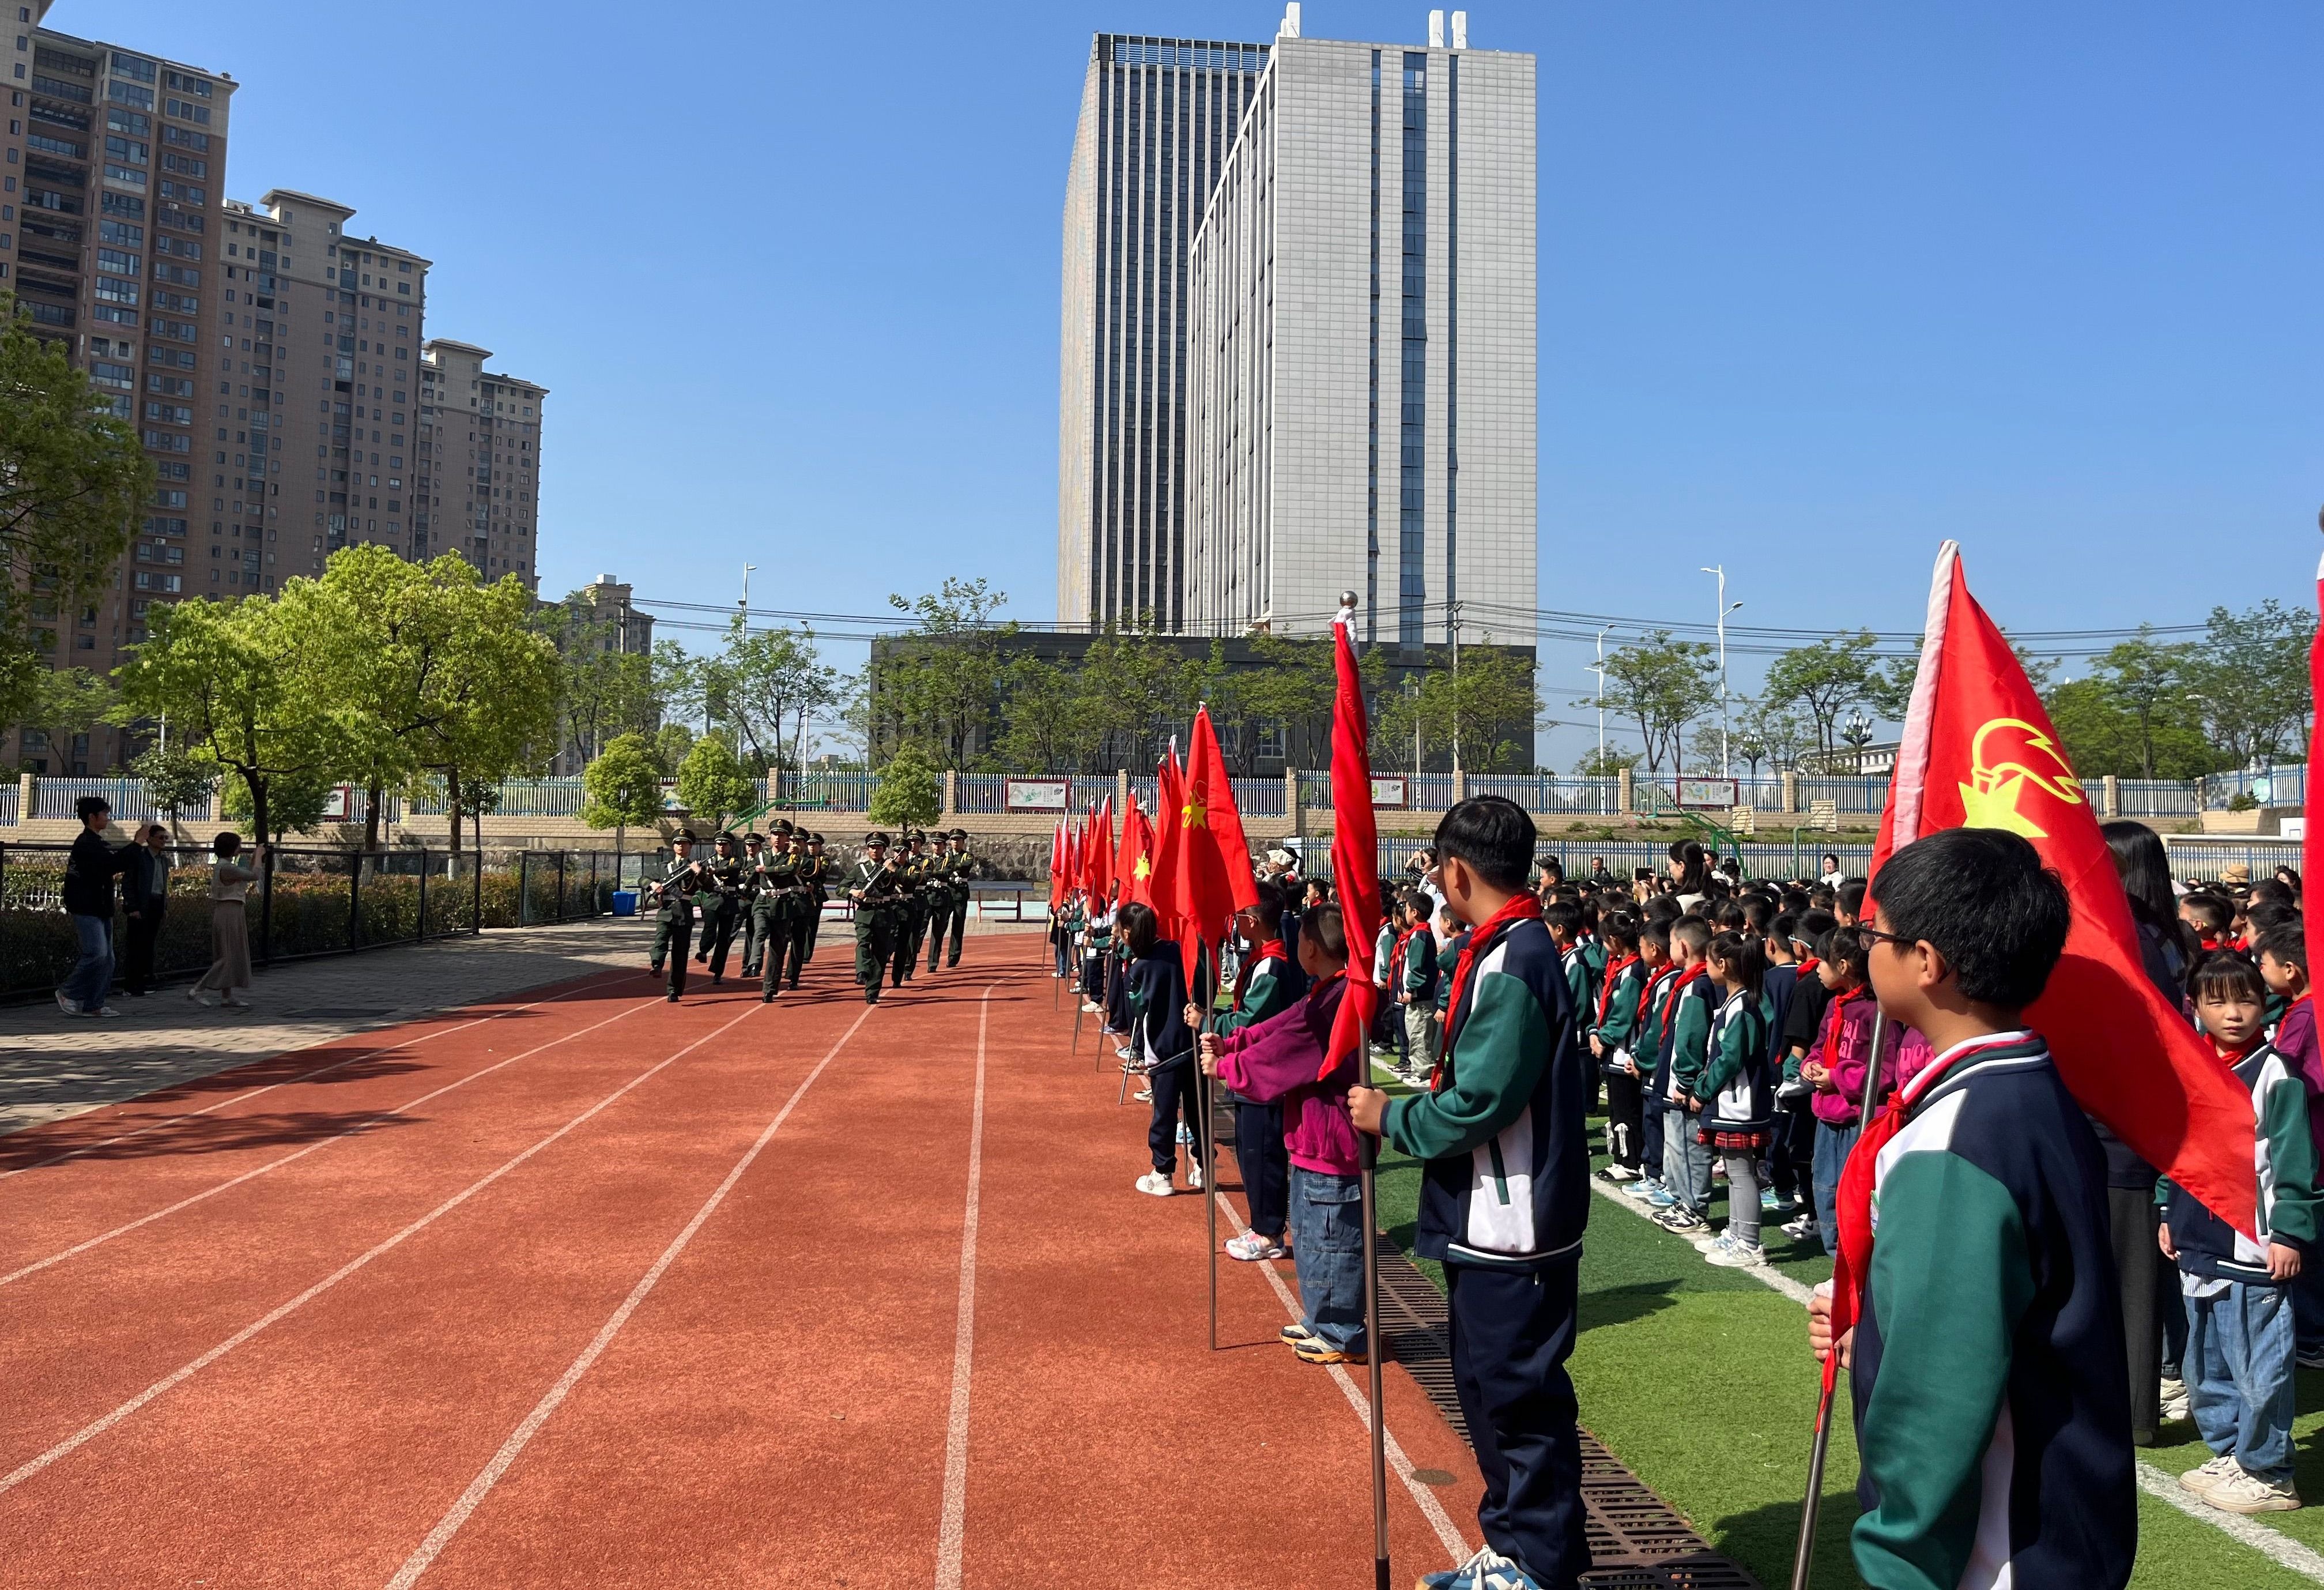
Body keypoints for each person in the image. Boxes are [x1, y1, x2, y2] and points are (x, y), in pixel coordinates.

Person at [1806, 826, 2133, 1588]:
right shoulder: (2033, 1089)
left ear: (1927, 962)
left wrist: (1901, 1558)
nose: (1865, 950)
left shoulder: (1953, 1139)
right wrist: (1871, 1324)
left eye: (1875, 937)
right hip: (2064, 1526)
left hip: (1995, 1552)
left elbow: (1936, 1392)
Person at [1349, 796, 1592, 1590]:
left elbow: (1483, 1098)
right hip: (1490, 1220)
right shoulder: (1504, 946)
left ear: (1455, 872)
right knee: (1488, 1394)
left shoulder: (1515, 957)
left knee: (1520, 1403)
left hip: (1514, 1223)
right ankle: (1514, 1547)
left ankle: (1540, 1564)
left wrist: (1391, 1116)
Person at [2159, 950, 2314, 1514]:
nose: (2232, 1013)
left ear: (2262, 1002)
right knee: (2205, 1366)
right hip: (2196, 1242)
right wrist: (2166, 1209)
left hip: (2252, 1246)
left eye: (2245, 1000)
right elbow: (2176, 1145)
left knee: (2260, 1366)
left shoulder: (2276, 1073)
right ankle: (2231, 1453)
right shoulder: (2192, 1065)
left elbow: (2295, 1161)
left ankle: (2269, 1472)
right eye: (2217, 1001)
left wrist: (2290, 1232)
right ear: (2195, 1006)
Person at [1203, 903, 1363, 1364]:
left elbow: (1286, 1052)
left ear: (1310, 947)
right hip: (1313, 1137)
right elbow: (1279, 1028)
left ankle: (1342, 1330)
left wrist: (1227, 1067)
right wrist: (1232, 1044)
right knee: (1312, 1237)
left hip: (1331, 1139)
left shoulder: (1336, 1002)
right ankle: (1322, 1317)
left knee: (1333, 1241)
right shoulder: (1325, 993)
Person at [1194, 883, 1301, 1261]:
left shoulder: (1273, 964)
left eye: (1238, 915)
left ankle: (1269, 1231)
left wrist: (1209, 1021)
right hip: (1252, 1070)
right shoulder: (1262, 959)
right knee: (1251, 1151)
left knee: (1263, 1153)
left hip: (1263, 1073)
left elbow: (1252, 1019)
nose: (1234, 922)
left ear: (1253, 921)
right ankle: (1263, 1224)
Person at [2255, 923, 2324, 1371]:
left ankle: (2312, 1338)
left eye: (2262, 964)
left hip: (2311, 1141)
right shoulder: (2307, 1009)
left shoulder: (2304, 1015)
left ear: (2291, 970)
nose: (2259, 971)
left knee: (2309, 1246)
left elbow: (2289, 1072)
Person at [1695, 931, 1776, 1267]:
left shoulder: (1743, 1004)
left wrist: (1702, 1089)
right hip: (1733, 1101)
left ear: (1723, 964)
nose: (1705, 966)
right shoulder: (1738, 1002)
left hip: (1740, 1102)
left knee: (1741, 1172)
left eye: (1708, 960)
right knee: (1733, 1170)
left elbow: (1730, 1059)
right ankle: (1736, 1232)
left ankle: (1750, 1243)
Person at [1119, 902, 1202, 1196]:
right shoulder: (1179, 950)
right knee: (1197, 1111)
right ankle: (1204, 1166)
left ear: (1127, 932)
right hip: (1193, 1042)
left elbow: (1136, 1013)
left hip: (1164, 1050)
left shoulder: (1139, 969)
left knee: (1164, 1113)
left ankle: (1163, 1171)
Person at [1589, 912, 1647, 1180]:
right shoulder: (1619, 967)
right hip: (1613, 1051)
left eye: (1604, 940)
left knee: (1626, 1109)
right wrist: (1595, 1032)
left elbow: (1624, 1014)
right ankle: (1621, 1159)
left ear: (1614, 940)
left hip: (1624, 1051)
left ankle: (1631, 1161)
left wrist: (1604, 1038)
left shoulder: (1633, 970)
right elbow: (1606, 1007)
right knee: (1616, 1109)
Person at [58, 794, 127, 1018]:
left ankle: (94, 1004)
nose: (108, 818)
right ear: (92, 817)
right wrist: (136, 844)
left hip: (101, 907)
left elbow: (111, 864)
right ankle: (68, 992)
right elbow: (111, 865)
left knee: (108, 959)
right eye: (104, 814)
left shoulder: (96, 842)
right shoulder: (86, 843)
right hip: (86, 908)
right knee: (97, 954)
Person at [188, 831, 263, 1009]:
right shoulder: (226, 868)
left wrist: (255, 857)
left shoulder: (226, 866)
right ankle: (198, 989)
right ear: (232, 848)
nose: (241, 848)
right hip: (229, 911)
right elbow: (255, 875)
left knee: (231, 952)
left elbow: (248, 873)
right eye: (239, 845)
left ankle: (227, 996)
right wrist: (259, 855)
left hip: (231, 910)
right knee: (227, 955)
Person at [646, 832, 711, 1001]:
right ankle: (657, 965)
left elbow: (709, 887)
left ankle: (674, 990)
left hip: (683, 913)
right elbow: (644, 878)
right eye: (678, 843)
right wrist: (653, 884)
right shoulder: (664, 866)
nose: (681, 846)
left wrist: (699, 873)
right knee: (660, 940)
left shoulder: (695, 867)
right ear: (673, 846)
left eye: (685, 843)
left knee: (680, 954)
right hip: (666, 911)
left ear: (690, 847)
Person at [847, 832, 903, 1005]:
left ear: (884, 850)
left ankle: (872, 991)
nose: (875, 850)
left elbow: (908, 882)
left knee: (880, 954)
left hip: (883, 913)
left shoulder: (892, 867)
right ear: (867, 849)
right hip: (864, 913)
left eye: (878, 847)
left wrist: (894, 870)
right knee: (863, 942)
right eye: (872, 847)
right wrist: (853, 891)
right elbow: (841, 887)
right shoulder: (859, 869)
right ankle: (862, 972)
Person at [119, 823, 175, 997]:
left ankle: (144, 981)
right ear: (149, 839)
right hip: (141, 904)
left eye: (166, 838)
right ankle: (131, 985)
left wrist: (164, 906)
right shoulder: (140, 857)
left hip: (156, 904)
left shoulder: (163, 860)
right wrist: (132, 907)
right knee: (136, 945)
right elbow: (128, 883)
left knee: (149, 945)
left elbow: (163, 885)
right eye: (160, 837)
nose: (163, 841)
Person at [693, 832, 746, 984]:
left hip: (729, 902)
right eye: (719, 844)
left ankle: (717, 972)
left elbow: (735, 869)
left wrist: (716, 871)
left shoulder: (736, 860)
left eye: (725, 844)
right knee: (709, 928)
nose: (721, 847)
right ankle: (704, 950)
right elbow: (704, 882)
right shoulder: (709, 861)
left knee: (724, 938)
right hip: (712, 900)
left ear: (730, 846)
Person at [928, 828, 979, 971]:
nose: (955, 842)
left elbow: (965, 865)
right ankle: (935, 957)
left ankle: (953, 957)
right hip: (946, 892)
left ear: (963, 842)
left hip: (960, 893)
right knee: (941, 926)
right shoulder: (945, 856)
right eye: (953, 840)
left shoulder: (967, 856)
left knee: (958, 926)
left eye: (958, 840)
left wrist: (953, 869)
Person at [737, 830, 769, 975]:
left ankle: (750, 966)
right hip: (741, 900)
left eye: (754, 845)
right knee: (731, 931)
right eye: (748, 845)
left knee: (754, 933)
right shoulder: (740, 861)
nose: (750, 848)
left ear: (759, 847)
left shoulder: (762, 861)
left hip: (756, 898)